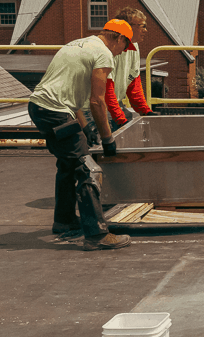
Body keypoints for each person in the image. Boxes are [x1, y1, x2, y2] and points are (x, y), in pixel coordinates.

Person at [28, 19, 134, 250]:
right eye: (123, 48)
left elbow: (71, 95)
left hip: (40, 107)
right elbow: (97, 101)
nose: (120, 54)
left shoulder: (76, 45)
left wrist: (85, 128)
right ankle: (96, 235)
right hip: (55, 111)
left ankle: (64, 220)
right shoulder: (104, 53)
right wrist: (108, 140)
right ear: (120, 38)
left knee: (68, 163)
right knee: (87, 168)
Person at [84, 7, 158, 135]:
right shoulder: (110, 48)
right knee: (106, 144)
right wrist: (120, 119)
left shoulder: (134, 46)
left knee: (131, 128)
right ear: (128, 26)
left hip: (112, 104)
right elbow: (106, 90)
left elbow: (133, 81)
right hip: (96, 106)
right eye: (142, 26)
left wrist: (145, 111)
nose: (146, 30)